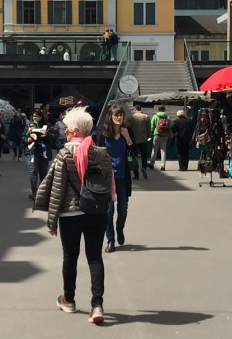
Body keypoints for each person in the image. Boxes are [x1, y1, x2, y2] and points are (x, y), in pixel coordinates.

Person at [34, 107, 112, 325]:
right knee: (95, 257)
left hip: (71, 214)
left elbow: (57, 189)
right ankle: (97, 305)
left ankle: (68, 299)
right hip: (97, 212)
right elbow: (108, 186)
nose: (65, 132)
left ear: (76, 130)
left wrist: (51, 221)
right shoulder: (101, 152)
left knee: (70, 258)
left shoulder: (65, 153)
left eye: (67, 129)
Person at [100, 105, 133, 253]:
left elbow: (135, 152)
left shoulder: (127, 131)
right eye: (116, 115)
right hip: (108, 177)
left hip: (123, 177)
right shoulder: (104, 134)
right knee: (108, 211)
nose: (119, 118)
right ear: (110, 117)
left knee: (123, 209)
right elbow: (98, 154)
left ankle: (120, 228)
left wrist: (127, 138)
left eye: (121, 115)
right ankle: (110, 240)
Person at [25, 111, 52, 201]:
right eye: (33, 116)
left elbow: (53, 138)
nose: (34, 118)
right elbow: (23, 137)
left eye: (36, 116)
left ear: (40, 117)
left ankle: (42, 193)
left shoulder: (47, 126)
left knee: (43, 173)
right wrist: (27, 139)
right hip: (32, 152)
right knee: (33, 172)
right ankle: (34, 192)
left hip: (43, 153)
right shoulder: (30, 125)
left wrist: (47, 134)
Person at [128, 105, 150, 180]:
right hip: (143, 139)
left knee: (134, 156)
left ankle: (136, 174)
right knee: (144, 155)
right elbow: (149, 128)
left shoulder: (131, 117)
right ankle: (144, 167)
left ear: (135, 109)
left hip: (133, 140)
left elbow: (127, 128)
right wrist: (148, 136)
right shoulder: (146, 116)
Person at [149, 106, 171, 171]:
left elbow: (152, 126)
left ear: (158, 110)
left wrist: (151, 134)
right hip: (165, 135)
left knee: (154, 150)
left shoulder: (155, 116)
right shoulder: (167, 117)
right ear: (164, 110)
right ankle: (163, 166)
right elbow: (170, 125)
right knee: (163, 151)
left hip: (157, 135)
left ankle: (152, 164)